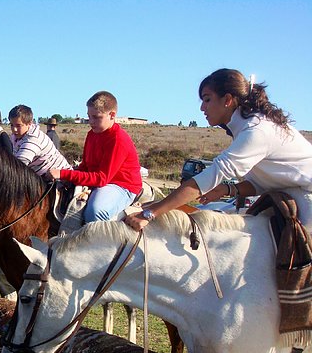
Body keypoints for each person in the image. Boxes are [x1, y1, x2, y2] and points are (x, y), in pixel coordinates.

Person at [124, 68, 312, 232]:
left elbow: (209, 177)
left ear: (228, 100)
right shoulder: (247, 127)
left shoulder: (256, 130)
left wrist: (151, 213)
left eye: (207, 99)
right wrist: (227, 189)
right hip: (288, 199)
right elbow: (261, 183)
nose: (202, 107)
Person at [48, 91, 142, 222]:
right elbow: (86, 166)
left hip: (122, 185)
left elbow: (101, 178)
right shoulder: (92, 134)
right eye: (89, 116)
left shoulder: (118, 140)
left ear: (112, 115)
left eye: (96, 117)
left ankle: (99, 242)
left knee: (96, 211)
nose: (91, 121)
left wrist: (64, 174)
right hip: (103, 180)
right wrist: (69, 176)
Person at [8, 104, 71, 176]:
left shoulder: (33, 139)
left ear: (29, 124)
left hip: (60, 180)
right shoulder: (15, 137)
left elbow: (17, 167)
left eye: (18, 125)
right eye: (11, 125)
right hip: (41, 177)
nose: (14, 129)